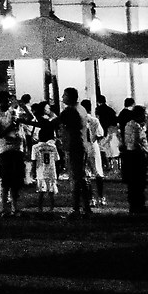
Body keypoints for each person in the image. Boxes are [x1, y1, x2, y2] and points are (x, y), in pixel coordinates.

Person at [57, 88, 94, 218]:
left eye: (64, 95)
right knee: (81, 178)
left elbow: (53, 124)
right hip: (82, 145)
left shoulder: (71, 111)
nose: (62, 97)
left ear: (70, 97)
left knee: (75, 178)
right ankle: (86, 207)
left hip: (74, 146)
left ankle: (75, 208)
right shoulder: (81, 109)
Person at [0, 95, 26, 216]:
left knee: (16, 181)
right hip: (4, 151)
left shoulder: (12, 112)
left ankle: (15, 208)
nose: (7, 104)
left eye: (8, 101)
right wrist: (11, 126)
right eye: (4, 102)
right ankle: (2, 209)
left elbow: (26, 120)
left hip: (17, 149)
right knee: (5, 181)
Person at [118, 105, 148, 216]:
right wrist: (144, 150)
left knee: (134, 184)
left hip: (131, 155)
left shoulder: (129, 124)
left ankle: (135, 206)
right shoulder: (135, 126)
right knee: (138, 183)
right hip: (136, 156)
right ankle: (138, 206)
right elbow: (136, 141)